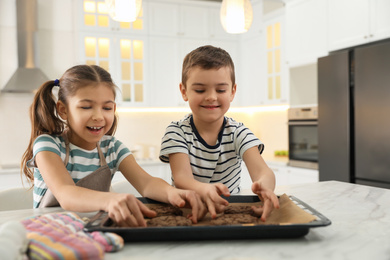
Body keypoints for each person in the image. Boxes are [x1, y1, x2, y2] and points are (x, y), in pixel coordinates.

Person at [21, 64, 205, 227]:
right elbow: (66, 194)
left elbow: (147, 183)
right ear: (63, 110)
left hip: (95, 231)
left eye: (106, 108)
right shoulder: (48, 145)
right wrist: (111, 199)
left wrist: (173, 194)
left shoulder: (112, 148)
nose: (99, 116)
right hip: (48, 233)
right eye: (86, 107)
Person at [159, 45, 279, 221]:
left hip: (228, 215)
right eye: (200, 90)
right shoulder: (176, 132)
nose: (211, 97)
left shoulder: (238, 133)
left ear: (232, 92)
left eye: (221, 90)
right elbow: (182, 178)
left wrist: (265, 187)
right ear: (184, 91)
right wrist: (204, 189)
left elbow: (263, 172)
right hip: (188, 214)